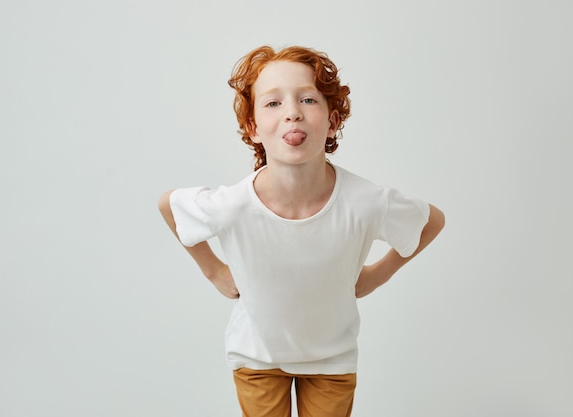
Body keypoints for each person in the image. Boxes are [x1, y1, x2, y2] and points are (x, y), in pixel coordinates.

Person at [158, 45, 445, 417]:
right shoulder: (234, 204)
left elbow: (430, 221)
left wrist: (377, 275)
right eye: (273, 104)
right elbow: (169, 205)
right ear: (253, 128)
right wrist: (214, 271)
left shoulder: (364, 201)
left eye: (307, 99)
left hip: (331, 359)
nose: (292, 112)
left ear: (333, 120)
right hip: (256, 357)